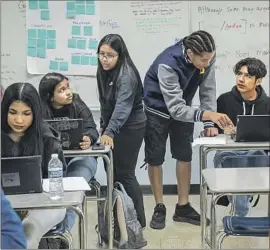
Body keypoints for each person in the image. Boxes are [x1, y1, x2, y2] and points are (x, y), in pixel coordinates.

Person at [143, 30, 233, 229]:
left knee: (184, 154)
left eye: (210, 59)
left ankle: (183, 207)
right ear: (190, 53)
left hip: (184, 106)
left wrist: (209, 124)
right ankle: (159, 206)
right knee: (155, 156)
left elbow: (207, 90)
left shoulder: (207, 56)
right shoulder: (167, 64)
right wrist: (207, 116)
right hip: (157, 108)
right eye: (203, 60)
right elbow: (174, 109)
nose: (207, 64)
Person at [1, 82, 67, 249]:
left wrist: (32, 204)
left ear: (35, 114)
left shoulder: (47, 139)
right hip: (6, 205)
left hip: (44, 205)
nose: (19, 120)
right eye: (12, 112)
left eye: (26, 113)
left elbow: (58, 183)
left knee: (27, 234)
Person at [39, 72, 99, 242]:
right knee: (52, 188)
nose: (69, 92)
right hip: (52, 161)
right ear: (50, 96)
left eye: (68, 87)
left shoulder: (77, 103)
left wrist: (89, 138)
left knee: (72, 188)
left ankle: (59, 234)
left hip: (80, 159)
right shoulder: (40, 110)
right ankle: (49, 231)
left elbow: (92, 129)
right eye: (62, 89)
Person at [96, 34, 146, 228]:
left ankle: (138, 223)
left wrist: (110, 132)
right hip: (113, 127)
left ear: (120, 55)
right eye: (101, 54)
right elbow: (104, 102)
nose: (104, 59)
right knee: (112, 174)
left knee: (125, 174)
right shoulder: (102, 70)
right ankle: (120, 219)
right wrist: (103, 127)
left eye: (110, 55)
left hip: (131, 127)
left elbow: (122, 108)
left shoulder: (126, 75)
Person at [214, 57, 269, 216]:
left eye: (248, 76)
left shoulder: (268, 104)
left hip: (257, 152)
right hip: (229, 151)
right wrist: (218, 130)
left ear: (258, 81)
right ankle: (242, 204)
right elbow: (214, 129)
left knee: (252, 157)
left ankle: (240, 202)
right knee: (232, 159)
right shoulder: (224, 100)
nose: (241, 79)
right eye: (239, 74)